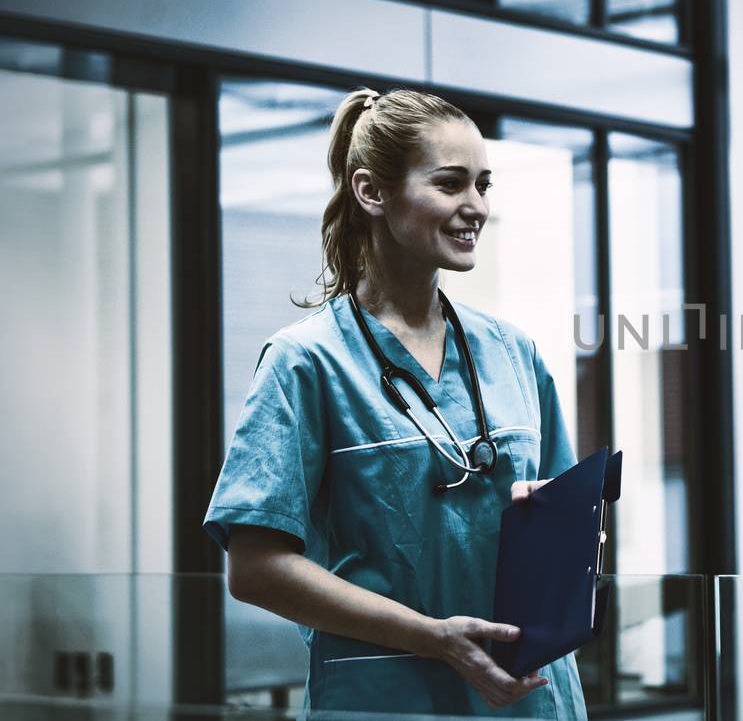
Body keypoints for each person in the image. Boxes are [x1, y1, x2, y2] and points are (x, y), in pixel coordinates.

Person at [204, 88, 588, 718]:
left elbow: (567, 523)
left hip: (528, 698)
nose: (476, 208)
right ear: (371, 192)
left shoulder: (514, 352)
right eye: (450, 184)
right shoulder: (306, 362)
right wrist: (433, 639)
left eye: (483, 186)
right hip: (386, 697)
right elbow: (256, 568)